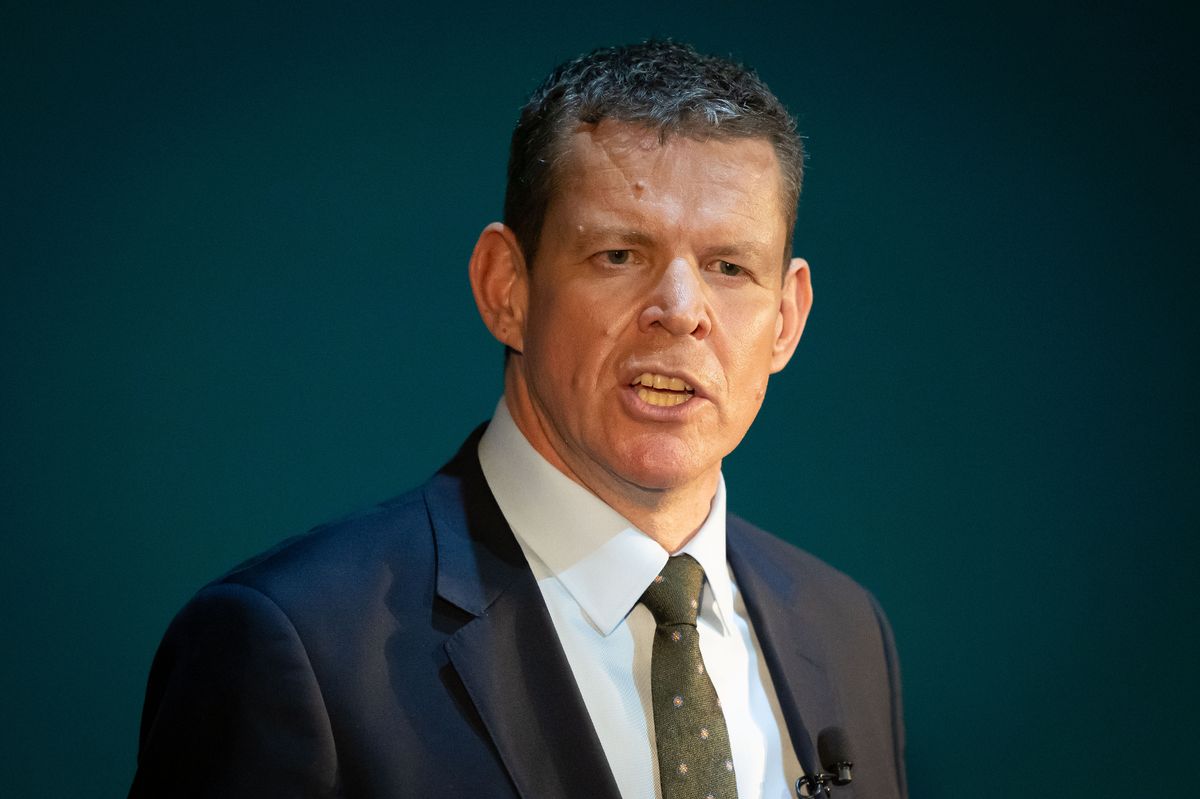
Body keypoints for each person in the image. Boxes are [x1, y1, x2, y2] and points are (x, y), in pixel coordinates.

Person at [129, 41, 907, 799]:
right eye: (619, 255)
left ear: (786, 320)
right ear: (507, 287)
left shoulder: (846, 632)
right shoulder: (296, 644)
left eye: (729, 267)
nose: (679, 311)